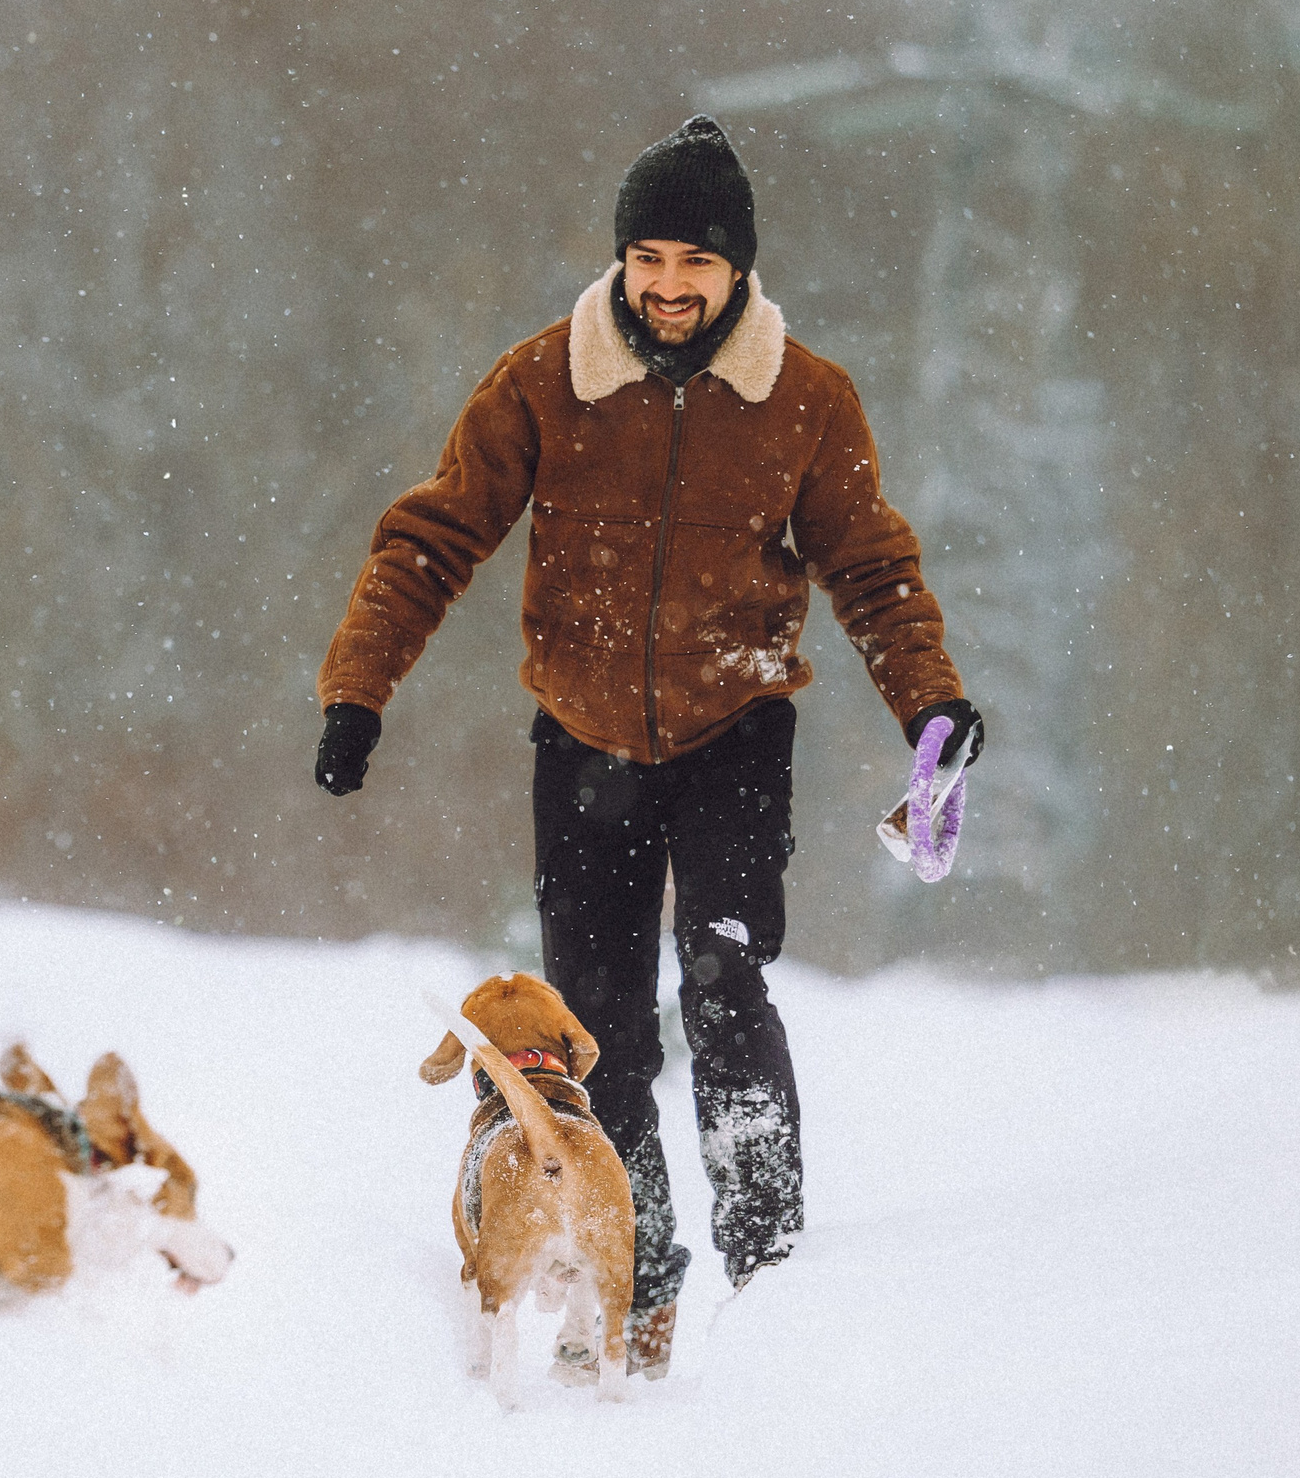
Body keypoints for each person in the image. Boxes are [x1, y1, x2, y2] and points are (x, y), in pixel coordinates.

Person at [312, 114, 982, 1377]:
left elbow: (874, 570)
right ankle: (645, 1279)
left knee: (725, 983)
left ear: (741, 274)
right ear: (622, 260)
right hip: (583, 743)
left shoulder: (803, 400)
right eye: (650, 259)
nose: (669, 286)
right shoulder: (542, 382)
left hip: (736, 730)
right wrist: (360, 690)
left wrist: (929, 707)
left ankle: (773, 1275)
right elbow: (432, 536)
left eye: (697, 265)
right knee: (598, 1028)